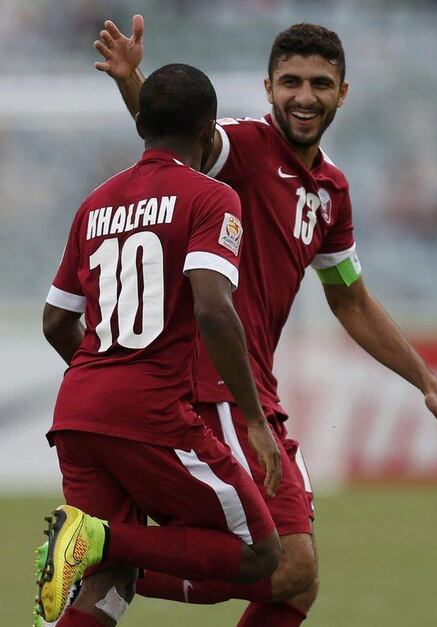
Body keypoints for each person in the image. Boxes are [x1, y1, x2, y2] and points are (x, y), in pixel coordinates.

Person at [94, 17, 437, 626]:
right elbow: (175, 136)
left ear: (342, 92)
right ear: (268, 88)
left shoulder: (331, 192)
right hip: (213, 385)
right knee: (291, 566)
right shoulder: (241, 149)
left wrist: (426, 382)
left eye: (320, 83)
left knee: (295, 587)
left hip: (255, 391)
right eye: (290, 81)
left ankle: (111, 563)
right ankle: (109, 558)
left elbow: (351, 299)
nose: (304, 96)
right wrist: (132, 81)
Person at [36, 63, 284, 627]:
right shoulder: (211, 197)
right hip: (152, 412)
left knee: (108, 584)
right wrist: (254, 420)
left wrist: (100, 381)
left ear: (141, 124)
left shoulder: (94, 203)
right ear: (207, 134)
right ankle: (98, 538)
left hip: (77, 410)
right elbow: (214, 310)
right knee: (262, 553)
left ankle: (96, 543)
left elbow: (55, 321)